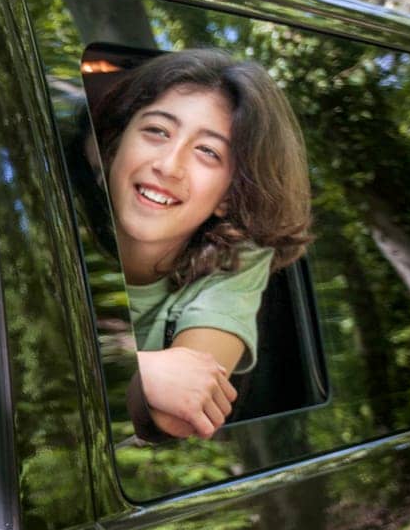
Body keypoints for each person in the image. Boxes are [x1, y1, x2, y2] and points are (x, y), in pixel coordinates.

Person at [92, 48, 313, 440]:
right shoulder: (40, 212)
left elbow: (182, 411)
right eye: (157, 131)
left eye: (208, 152)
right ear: (115, 145)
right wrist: (149, 369)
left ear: (229, 195)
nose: (169, 165)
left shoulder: (236, 259)